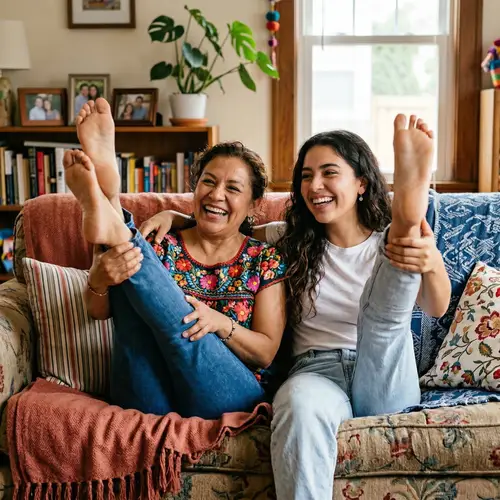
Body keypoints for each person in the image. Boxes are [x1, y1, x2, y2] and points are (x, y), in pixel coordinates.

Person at [139, 117, 452, 499]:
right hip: (316, 371)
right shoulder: (286, 237)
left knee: (383, 319)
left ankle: (407, 214)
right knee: (298, 405)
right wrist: (176, 217)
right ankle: (407, 214)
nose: (314, 186)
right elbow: (225, 225)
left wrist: (429, 259)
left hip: (385, 367)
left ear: (362, 184)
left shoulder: (384, 249)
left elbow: (437, 306)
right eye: (306, 175)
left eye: (329, 173)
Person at [67, 98, 287, 419]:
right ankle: (111, 206)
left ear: (254, 205)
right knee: (135, 313)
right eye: (208, 182)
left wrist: (219, 324)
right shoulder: (162, 242)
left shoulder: (263, 259)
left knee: (183, 329)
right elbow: (99, 311)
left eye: (233, 188)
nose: (216, 195)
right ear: (194, 189)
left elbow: (266, 353)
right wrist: (99, 278)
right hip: (150, 390)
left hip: (226, 394)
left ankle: (112, 206)